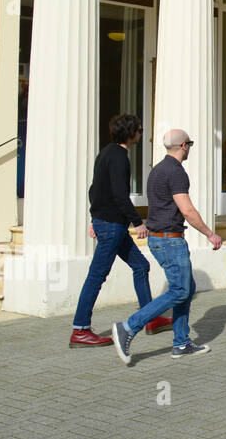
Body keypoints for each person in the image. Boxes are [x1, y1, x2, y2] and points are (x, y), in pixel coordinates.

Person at [111, 129, 224, 364]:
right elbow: (187, 210)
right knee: (180, 290)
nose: (190, 148)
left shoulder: (158, 170)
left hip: (159, 238)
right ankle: (128, 327)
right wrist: (209, 234)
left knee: (186, 287)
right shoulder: (176, 172)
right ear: (183, 145)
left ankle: (181, 343)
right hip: (170, 239)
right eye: (190, 144)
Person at [70, 115, 171, 347]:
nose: (141, 132)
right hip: (112, 226)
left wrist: (95, 218)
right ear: (131, 132)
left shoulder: (106, 152)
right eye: (140, 129)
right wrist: (138, 222)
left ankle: (150, 318)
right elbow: (119, 195)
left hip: (108, 223)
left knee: (140, 265)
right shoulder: (119, 158)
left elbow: (94, 190)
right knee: (96, 277)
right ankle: (80, 329)